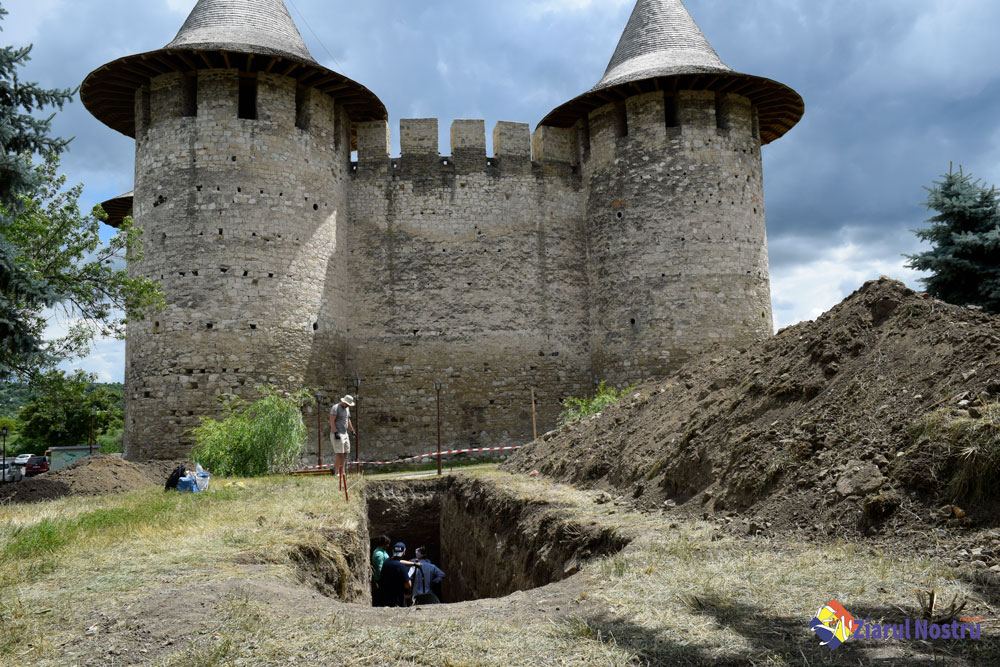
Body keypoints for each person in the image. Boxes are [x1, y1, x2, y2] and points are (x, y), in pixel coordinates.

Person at [378, 542, 412, 608]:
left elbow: (398, 561)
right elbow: (408, 585)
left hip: (386, 598)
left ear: (393, 551)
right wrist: (409, 579)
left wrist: (413, 563)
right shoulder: (401, 566)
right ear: (404, 551)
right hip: (397, 600)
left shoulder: (386, 562)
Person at [329, 394, 356, 479]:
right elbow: (332, 421)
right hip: (338, 433)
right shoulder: (336, 408)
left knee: (345, 453)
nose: (348, 405)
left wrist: (352, 431)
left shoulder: (347, 409)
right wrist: (336, 432)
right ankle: (335, 472)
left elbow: (348, 420)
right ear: (344, 401)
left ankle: (342, 472)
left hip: (345, 433)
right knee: (340, 453)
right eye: (348, 403)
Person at [371, 535, 391, 607]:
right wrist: (386, 579)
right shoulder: (379, 554)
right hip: (381, 579)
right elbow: (380, 568)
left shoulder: (381, 551)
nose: (388, 545)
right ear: (384, 544)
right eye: (387, 544)